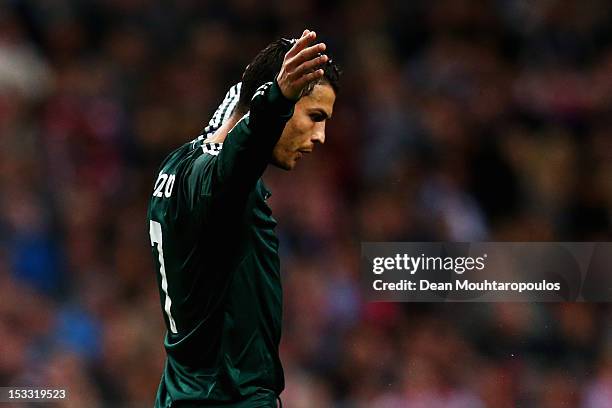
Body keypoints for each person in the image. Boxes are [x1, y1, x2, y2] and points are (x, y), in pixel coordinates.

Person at [147, 29, 340, 407]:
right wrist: (278, 98)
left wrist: (259, 84)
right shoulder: (220, 186)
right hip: (229, 397)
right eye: (314, 116)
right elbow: (237, 160)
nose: (321, 137)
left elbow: (231, 118)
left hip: (182, 393)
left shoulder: (178, 164)